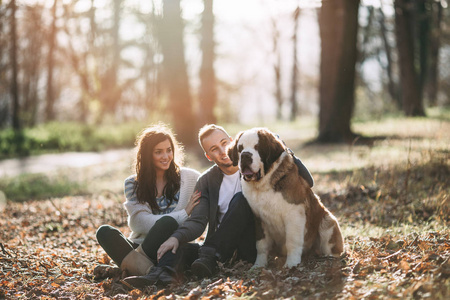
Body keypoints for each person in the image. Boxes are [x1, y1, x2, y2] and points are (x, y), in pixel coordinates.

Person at [124, 124, 314, 287]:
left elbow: (308, 181)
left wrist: (283, 148)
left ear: (232, 142)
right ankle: (161, 275)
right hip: (218, 250)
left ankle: (208, 256)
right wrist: (175, 237)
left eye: (224, 143)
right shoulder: (206, 181)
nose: (222, 151)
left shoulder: (260, 168)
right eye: (214, 149)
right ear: (208, 156)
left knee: (241, 200)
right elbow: (198, 221)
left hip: (250, 245)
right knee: (178, 246)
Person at [95, 124, 201, 283]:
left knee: (170, 227)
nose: (166, 156)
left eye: (169, 150)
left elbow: (215, 187)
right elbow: (140, 223)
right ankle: (154, 271)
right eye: (158, 152)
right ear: (147, 155)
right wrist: (183, 214)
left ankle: (136, 267)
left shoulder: (190, 178)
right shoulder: (133, 183)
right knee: (104, 232)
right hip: (142, 245)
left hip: (173, 246)